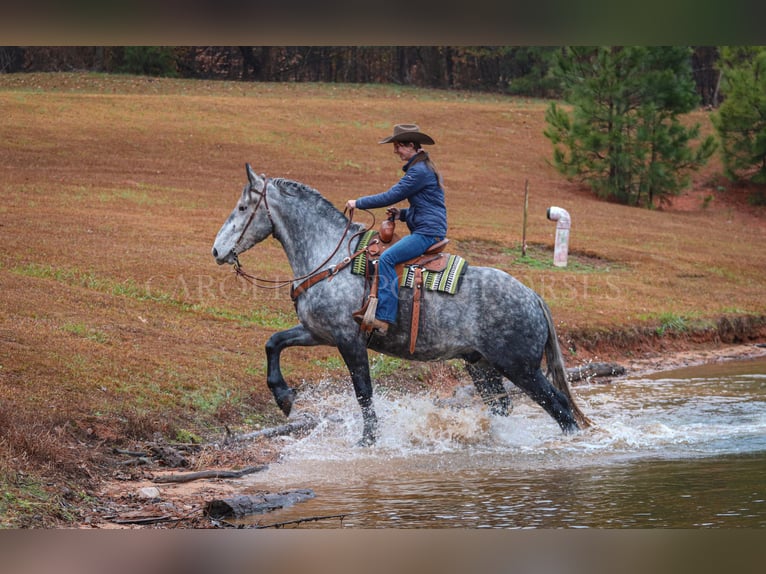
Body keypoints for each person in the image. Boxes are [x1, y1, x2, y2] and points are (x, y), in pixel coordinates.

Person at [346, 124, 447, 335]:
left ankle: (384, 317)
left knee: (387, 259)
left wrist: (359, 202)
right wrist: (402, 214)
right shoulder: (422, 168)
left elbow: (391, 195)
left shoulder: (419, 171)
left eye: (398, 146)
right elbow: (426, 206)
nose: (395, 151)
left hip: (427, 233)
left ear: (411, 146)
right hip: (429, 227)